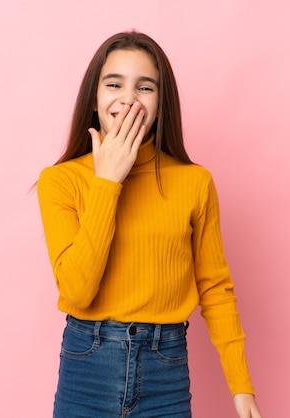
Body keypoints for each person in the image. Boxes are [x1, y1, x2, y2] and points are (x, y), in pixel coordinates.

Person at [37, 30, 262, 418]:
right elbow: (77, 292)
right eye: (114, 84)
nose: (128, 98)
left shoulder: (194, 182)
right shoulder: (61, 181)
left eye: (145, 87)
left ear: (161, 103)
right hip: (87, 368)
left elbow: (215, 289)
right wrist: (107, 183)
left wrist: (242, 388)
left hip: (166, 372)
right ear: (95, 98)